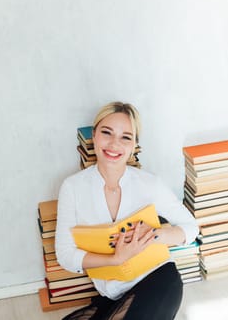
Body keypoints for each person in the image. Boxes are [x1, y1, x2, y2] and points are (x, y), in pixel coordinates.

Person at [55, 101, 199, 320]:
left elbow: (191, 228)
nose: (114, 144)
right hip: (111, 293)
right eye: (107, 133)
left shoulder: (150, 184)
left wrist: (153, 235)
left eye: (125, 137)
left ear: (134, 146)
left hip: (157, 278)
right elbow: (65, 255)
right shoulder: (72, 187)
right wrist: (114, 259)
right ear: (94, 136)